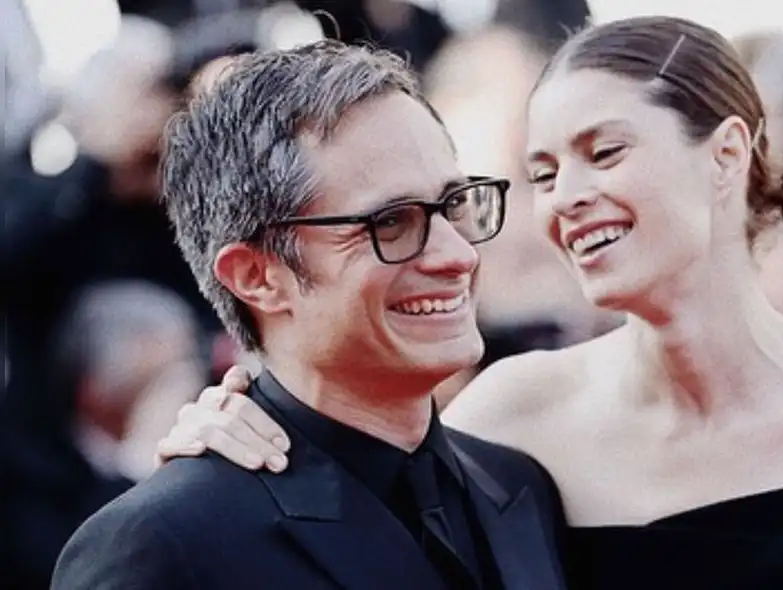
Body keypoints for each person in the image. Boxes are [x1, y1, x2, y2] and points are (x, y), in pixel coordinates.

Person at [157, 16, 783, 589]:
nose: (567, 199)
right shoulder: (508, 422)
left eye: (605, 152)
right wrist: (228, 421)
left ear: (727, 153)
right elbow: (331, 493)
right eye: (545, 174)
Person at [50, 40, 568, 590]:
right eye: (392, 223)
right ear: (257, 276)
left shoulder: (523, 486)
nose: (458, 256)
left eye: (454, 205)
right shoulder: (165, 547)